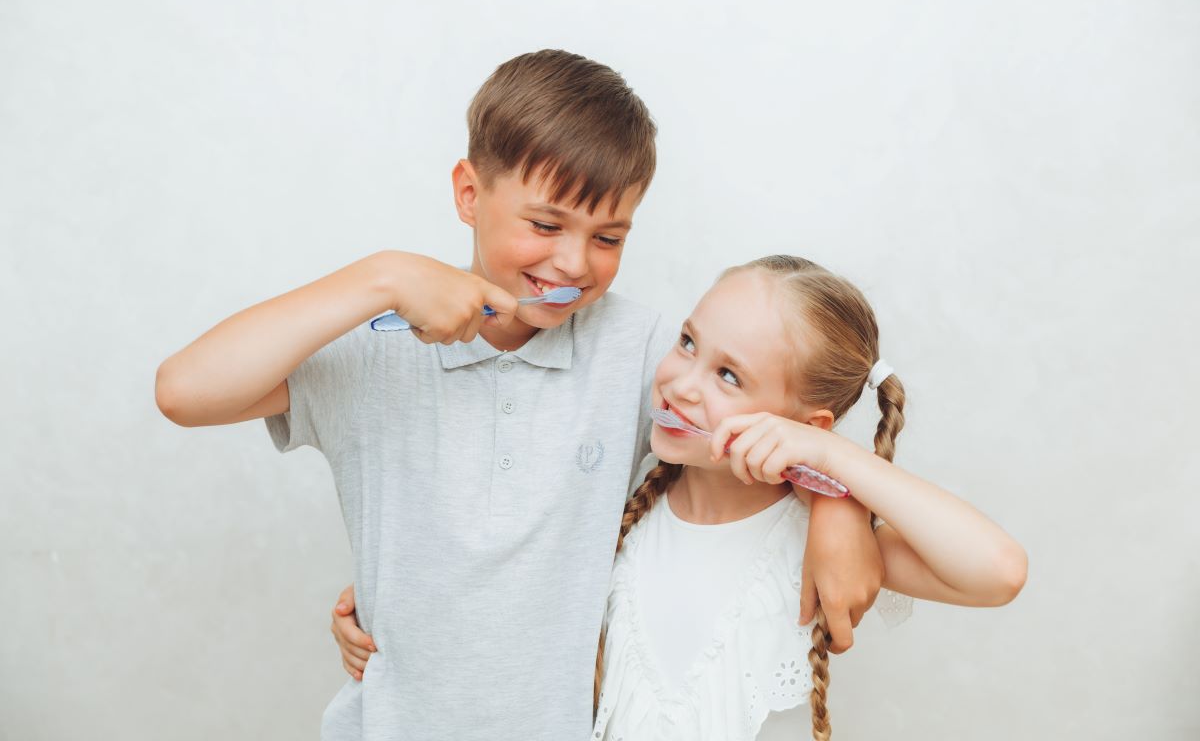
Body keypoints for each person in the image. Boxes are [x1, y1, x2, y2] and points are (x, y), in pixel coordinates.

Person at [155, 51, 883, 741]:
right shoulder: (373, 347)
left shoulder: (644, 354)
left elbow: (764, 417)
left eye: (608, 237)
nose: (573, 261)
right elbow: (184, 391)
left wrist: (836, 506)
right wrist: (380, 277)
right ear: (469, 195)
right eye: (545, 224)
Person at [333, 255, 1027, 739]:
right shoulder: (617, 522)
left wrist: (835, 469)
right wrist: (388, 613)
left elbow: (998, 572)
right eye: (689, 343)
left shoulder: (814, 550)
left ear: (801, 423)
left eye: (729, 376)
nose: (682, 382)